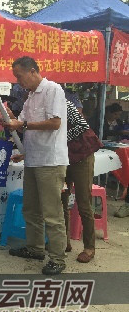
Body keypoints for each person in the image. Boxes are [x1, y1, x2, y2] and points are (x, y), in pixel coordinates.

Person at [1, 56, 69, 275]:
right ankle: (35, 248)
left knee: (52, 212)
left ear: (32, 71)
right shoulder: (29, 97)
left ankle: (57, 258)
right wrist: (10, 119)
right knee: (31, 209)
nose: (18, 81)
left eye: (19, 76)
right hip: (33, 159)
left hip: (50, 161)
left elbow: (55, 123)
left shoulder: (52, 90)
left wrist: (22, 123)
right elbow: (23, 126)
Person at [61, 100, 96, 263]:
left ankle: (89, 247)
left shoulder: (65, 104)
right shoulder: (40, 106)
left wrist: (60, 139)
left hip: (82, 155)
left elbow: (82, 125)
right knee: (61, 199)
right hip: (62, 158)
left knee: (83, 202)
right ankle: (64, 242)